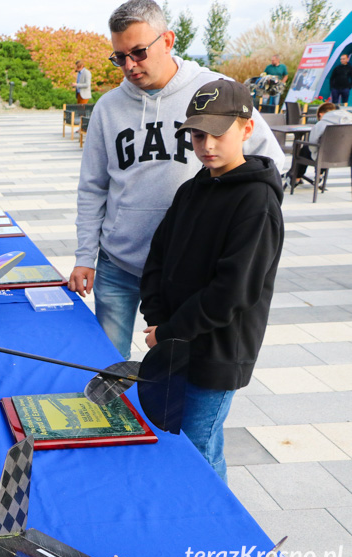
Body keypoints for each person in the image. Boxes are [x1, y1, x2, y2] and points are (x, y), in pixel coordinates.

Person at [67, 0, 284, 361]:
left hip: (187, 268)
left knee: (176, 372)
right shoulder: (108, 107)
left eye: (138, 52)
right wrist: (84, 255)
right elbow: (92, 186)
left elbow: (269, 161)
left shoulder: (215, 91)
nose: (129, 65)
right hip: (117, 261)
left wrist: (240, 228)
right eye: (119, 57)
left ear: (167, 41)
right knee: (107, 366)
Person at [141, 79, 284, 482]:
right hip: (174, 345)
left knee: (199, 450)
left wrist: (170, 330)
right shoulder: (192, 189)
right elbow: (159, 256)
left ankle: (219, 533)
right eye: (198, 135)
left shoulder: (257, 202)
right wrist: (156, 317)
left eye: (218, 133)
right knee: (175, 440)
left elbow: (232, 292)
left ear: (246, 128)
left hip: (217, 353)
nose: (207, 145)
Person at [284, 101, 352, 190]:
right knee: (324, 150)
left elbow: (312, 145)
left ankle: (296, 178)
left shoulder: (321, 124)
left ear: (321, 114)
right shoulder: (349, 123)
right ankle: (319, 175)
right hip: (345, 157)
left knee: (306, 149)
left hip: (323, 157)